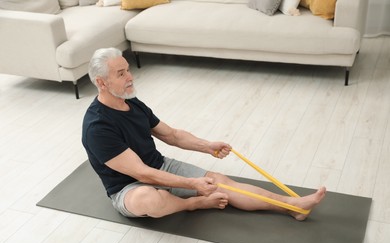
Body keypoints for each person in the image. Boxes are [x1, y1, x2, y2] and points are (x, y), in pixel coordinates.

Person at [82, 47, 326, 221]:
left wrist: (207, 146)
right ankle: (191, 204)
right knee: (149, 199)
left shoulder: (132, 102)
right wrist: (192, 186)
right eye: (121, 74)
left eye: (128, 70)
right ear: (102, 83)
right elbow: (141, 173)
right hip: (128, 187)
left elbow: (172, 135)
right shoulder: (98, 127)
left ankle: (292, 206)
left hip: (161, 167)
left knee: (221, 183)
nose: (130, 77)